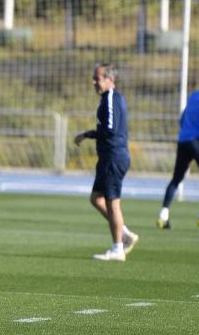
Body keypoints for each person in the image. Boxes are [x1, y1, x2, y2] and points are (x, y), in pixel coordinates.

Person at [74, 64, 139, 262]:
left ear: (109, 80)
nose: (94, 82)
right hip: (108, 156)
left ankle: (118, 248)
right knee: (96, 198)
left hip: (113, 155)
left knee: (112, 203)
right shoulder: (108, 98)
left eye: (98, 78)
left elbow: (109, 129)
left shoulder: (111, 98)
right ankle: (124, 233)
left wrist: (86, 134)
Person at [157, 72, 199, 230]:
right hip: (198, 140)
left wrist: (186, 132)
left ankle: (163, 216)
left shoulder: (195, 95)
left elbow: (182, 118)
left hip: (184, 140)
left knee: (176, 178)